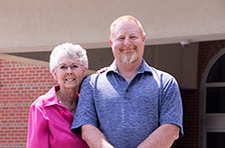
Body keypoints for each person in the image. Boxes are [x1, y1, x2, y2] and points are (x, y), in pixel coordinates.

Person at [71, 15, 183, 148]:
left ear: (143, 39)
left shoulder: (166, 82)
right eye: (121, 38)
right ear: (112, 42)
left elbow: (171, 129)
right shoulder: (92, 84)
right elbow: (87, 128)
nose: (127, 43)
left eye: (133, 37)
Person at [27, 43, 89, 148]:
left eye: (74, 66)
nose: (69, 72)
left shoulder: (88, 104)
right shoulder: (41, 107)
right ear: (54, 73)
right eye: (63, 67)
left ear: (83, 71)